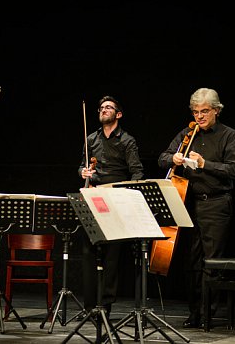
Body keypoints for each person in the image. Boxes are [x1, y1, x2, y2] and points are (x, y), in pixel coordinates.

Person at [158, 87, 235, 329]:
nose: (199, 116)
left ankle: (207, 314)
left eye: (204, 111)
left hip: (216, 203)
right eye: (196, 112)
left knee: (211, 262)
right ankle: (194, 312)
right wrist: (172, 158)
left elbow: (234, 170)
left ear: (216, 110)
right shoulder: (187, 133)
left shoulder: (228, 135)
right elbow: (163, 157)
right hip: (189, 203)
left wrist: (205, 164)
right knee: (191, 262)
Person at [78, 95, 144, 318]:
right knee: (89, 252)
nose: (103, 109)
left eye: (109, 107)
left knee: (112, 255)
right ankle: (89, 306)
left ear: (118, 114)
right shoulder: (91, 139)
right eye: (101, 107)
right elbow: (81, 167)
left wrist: (130, 195)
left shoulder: (127, 141)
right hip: (94, 196)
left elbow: (137, 171)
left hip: (116, 198)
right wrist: (83, 172)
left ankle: (105, 305)